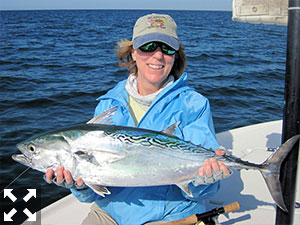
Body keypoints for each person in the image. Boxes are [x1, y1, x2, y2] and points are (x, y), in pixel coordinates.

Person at [45, 13, 231, 225]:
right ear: (133, 52)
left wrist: (205, 178)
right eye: (148, 46)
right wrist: (78, 185)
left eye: (167, 48)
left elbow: (205, 190)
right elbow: (94, 193)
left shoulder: (193, 105)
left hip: (172, 216)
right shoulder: (108, 104)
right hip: (109, 214)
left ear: (175, 56)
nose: (158, 56)